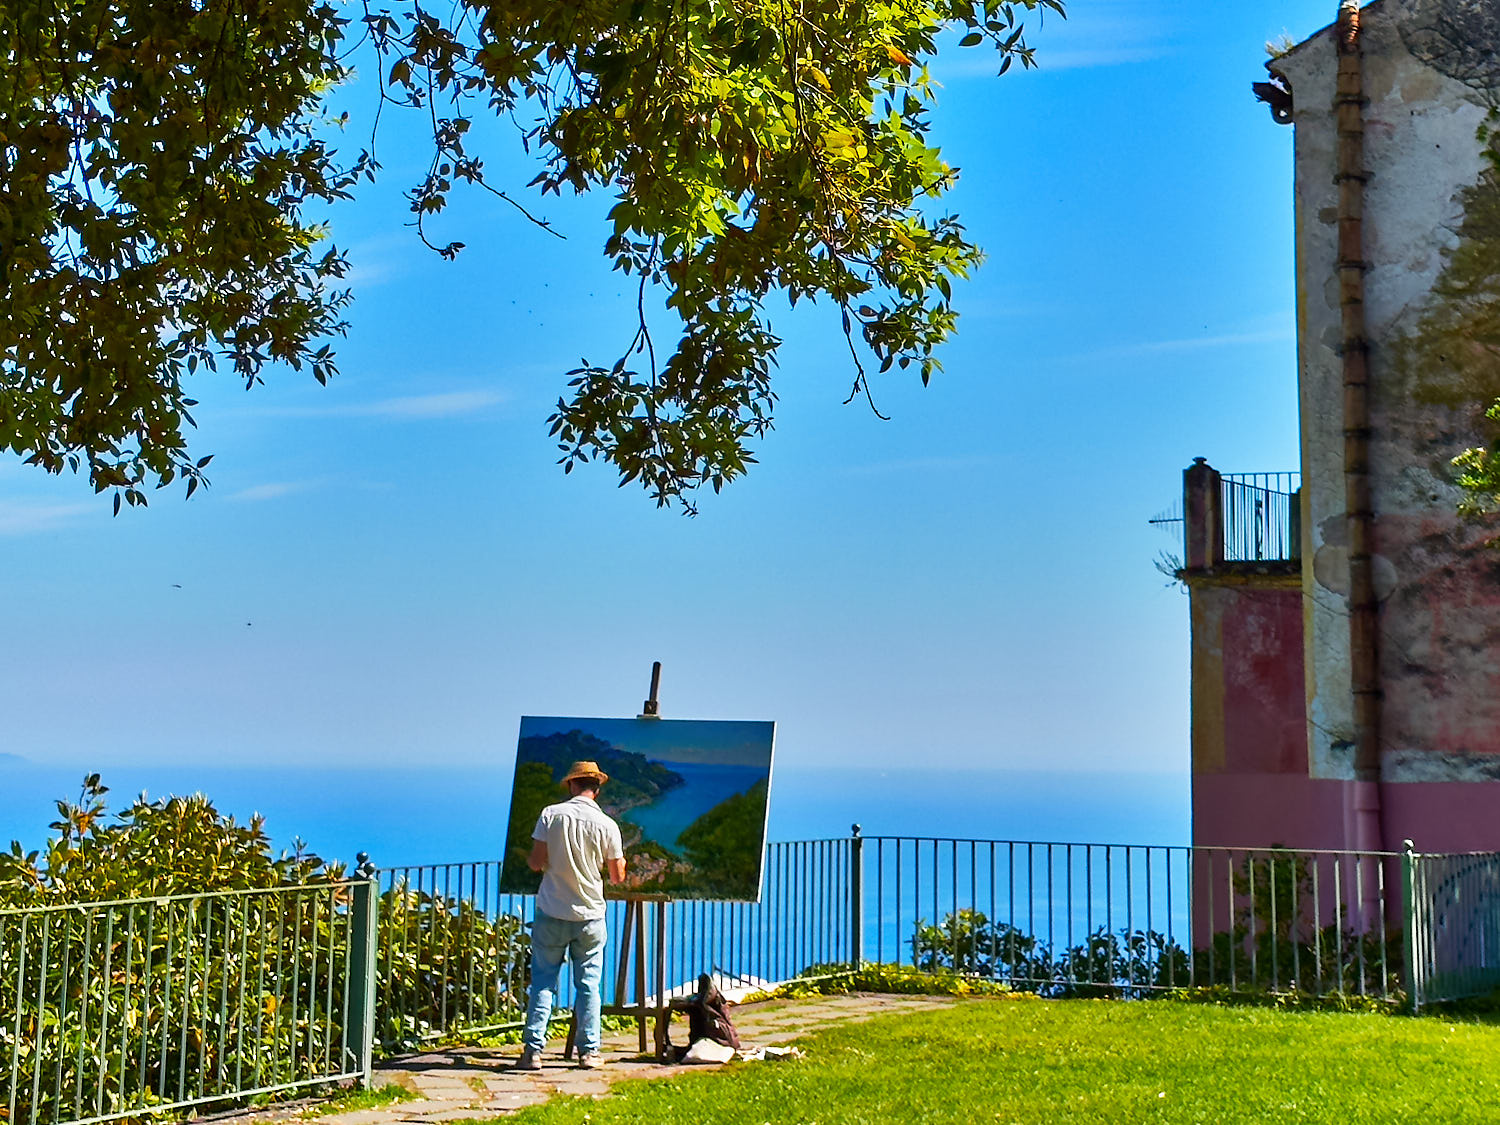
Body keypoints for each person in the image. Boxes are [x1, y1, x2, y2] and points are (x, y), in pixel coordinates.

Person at [516, 760, 626, 1071]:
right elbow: (617, 876)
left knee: (543, 982)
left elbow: (536, 863)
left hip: (552, 911)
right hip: (590, 914)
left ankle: (533, 1051)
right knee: (589, 984)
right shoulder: (608, 825)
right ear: (597, 788)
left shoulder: (550, 814)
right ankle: (589, 1052)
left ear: (570, 785)